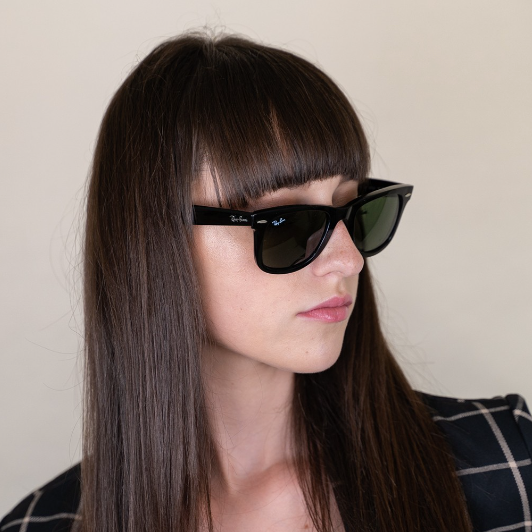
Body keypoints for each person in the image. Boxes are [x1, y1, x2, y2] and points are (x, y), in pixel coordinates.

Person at [1, 32, 531, 532]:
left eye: (354, 211)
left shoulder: (507, 464)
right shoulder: (44, 525)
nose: (349, 260)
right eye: (286, 224)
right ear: (154, 241)